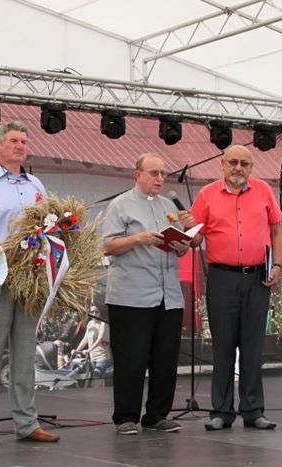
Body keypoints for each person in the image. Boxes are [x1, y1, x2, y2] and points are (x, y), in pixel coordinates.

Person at [0, 121, 59, 447]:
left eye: (24, 141)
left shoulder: (36, 185)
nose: (19, 146)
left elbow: (47, 229)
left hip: (30, 276)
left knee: (25, 352)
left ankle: (27, 422)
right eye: (14, 141)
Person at [181, 144, 282, 431]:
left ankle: (253, 410)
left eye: (244, 163)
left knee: (253, 348)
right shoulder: (206, 194)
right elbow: (195, 241)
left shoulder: (263, 190)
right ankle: (221, 412)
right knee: (223, 348)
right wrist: (188, 227)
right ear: (223, 165)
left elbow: (277, 230)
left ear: (251, 167)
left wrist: (277, 265)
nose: (238, 168)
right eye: (233, 162)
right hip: (222, 278)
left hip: (257, 277)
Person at [101, 153, 189, 435]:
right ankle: (126, 416)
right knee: (132, 358)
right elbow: (107, 246)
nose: (160, 179)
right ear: (137, 174)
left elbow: (181, 248)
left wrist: (182, 245)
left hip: (168, 294)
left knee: (165, 358)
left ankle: (157, 414)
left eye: (163, 173)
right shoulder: (121, 204)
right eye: (154, 173)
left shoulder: (168, 206)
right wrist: (138, 238)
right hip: (132, 294)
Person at [72, 306, 111, 379]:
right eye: (92, 312)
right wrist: (76, 350)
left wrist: (89, 350)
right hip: (93, 357)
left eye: (96, 312)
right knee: (100, 380)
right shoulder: (90, 323)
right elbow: (85, 339)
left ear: (100, 313)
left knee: (96, 379)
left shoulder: (103, 323)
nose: (94, 314)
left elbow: (100, 338)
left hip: (102, 357)